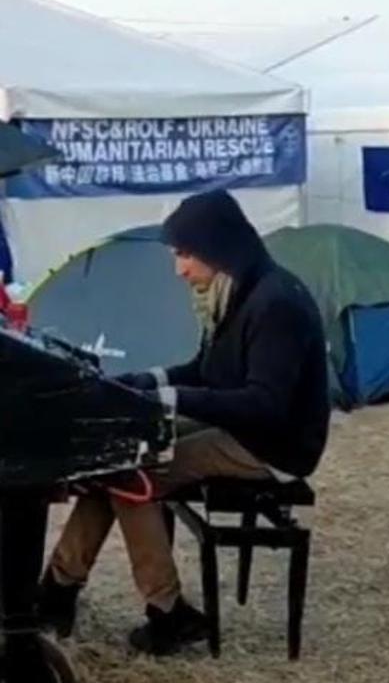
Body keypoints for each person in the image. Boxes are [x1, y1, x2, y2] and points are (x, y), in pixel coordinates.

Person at [38, 189, 330, 655]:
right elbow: (206, 370)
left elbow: (266, 404)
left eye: (184, 254)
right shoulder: (241, 286)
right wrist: (137, 383)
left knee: (129, 470)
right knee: (110, 457)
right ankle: (57, 592)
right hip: (246, 430)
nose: (179, 269)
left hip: (272, 445)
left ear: (217, 247)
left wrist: (167, 399)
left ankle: (165, 614)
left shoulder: (276, 304)